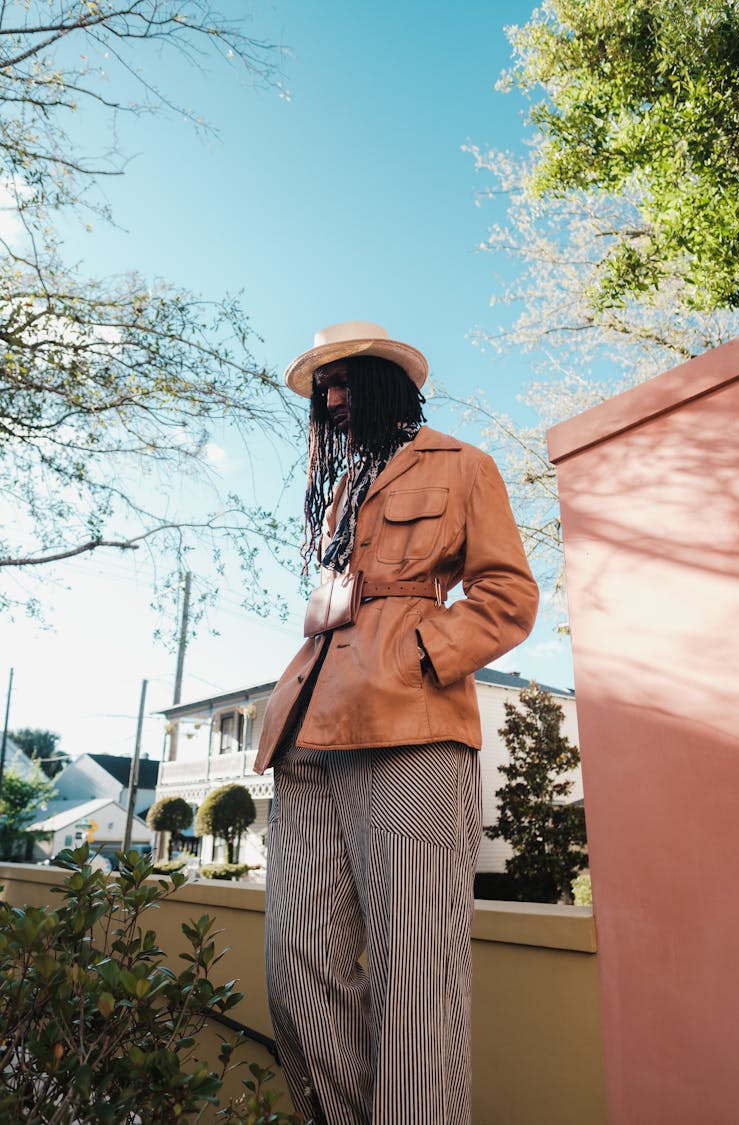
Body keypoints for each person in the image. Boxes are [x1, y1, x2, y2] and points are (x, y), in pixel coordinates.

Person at [254, 321, 539, 1125]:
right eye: (324, 388)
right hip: (308, 731)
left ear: (386, 383)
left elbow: (509, 595)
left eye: (345, 382)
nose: (333, 399)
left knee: (418, 980)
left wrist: (419, 653)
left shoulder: (462, 465)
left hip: (411, 730)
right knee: (296, 971)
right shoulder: (342, 489)